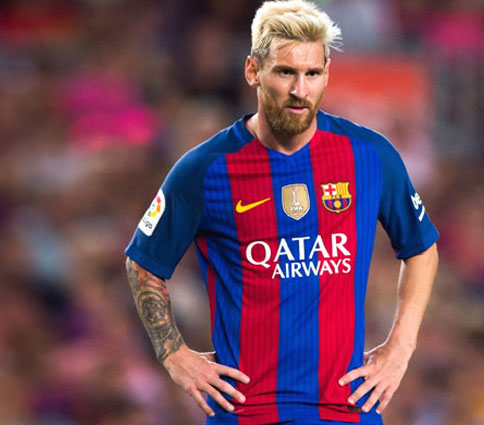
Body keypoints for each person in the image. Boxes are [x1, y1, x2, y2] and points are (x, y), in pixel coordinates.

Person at [124, 1, 439, 424]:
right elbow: (144, 262)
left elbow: (421, 248)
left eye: (312, 73)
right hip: (246, 411)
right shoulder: (205, 169)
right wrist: (174, 355)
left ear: (327, 73)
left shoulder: (369, 155)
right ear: (253, 70)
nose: (300, 90)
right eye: (285, 72)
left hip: (346, 410)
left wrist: (400, 347)